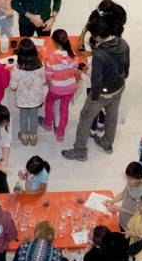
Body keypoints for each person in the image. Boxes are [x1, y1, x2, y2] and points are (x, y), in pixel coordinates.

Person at [62, 23, 132, 161]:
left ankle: (80, 150)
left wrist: (93, 97)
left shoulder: (99, 54)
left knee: (85, 117)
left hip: (103, 93)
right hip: (119, 87)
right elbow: (127, 66)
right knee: (112, 115)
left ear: (98, 37)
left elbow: (96, 79)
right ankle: (107, 143)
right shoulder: (123, 43)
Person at [7, 39, 49, 144]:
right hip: (36, 97)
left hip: (22, 98)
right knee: (34, 116)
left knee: (23, 115)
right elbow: (44, 80)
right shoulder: (41, 65)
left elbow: (13, 86)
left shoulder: (18, 67)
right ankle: (33, 137)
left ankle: (24, 136)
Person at [43, 29, 80, 140]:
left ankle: (48, 124)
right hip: (70, 88)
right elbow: (74, 72)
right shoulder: (73, 56)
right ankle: (60, 134)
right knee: (64, 110)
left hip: (56, 89)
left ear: (54, 42)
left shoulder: (51, 58)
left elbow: (48, 76)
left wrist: (51, 87)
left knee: (49, 102)